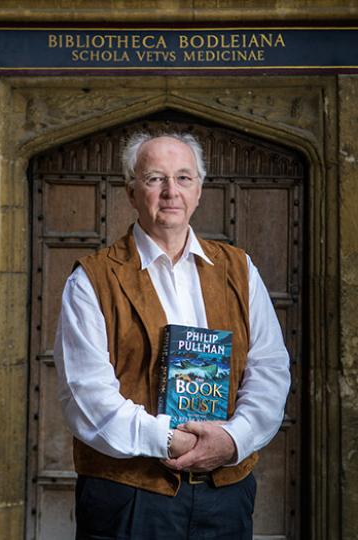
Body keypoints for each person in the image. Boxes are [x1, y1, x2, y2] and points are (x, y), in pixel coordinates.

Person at [54, 132, 291, 540]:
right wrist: (173, 442)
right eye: (154, 179)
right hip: (129, 494)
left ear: (199, 190)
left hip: (226, 494)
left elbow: (269, 368)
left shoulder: (239, 268)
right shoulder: (92, 280)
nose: (170, 192)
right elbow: (87, 397)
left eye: (183, 178)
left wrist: (233, 439)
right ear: (131, 192)